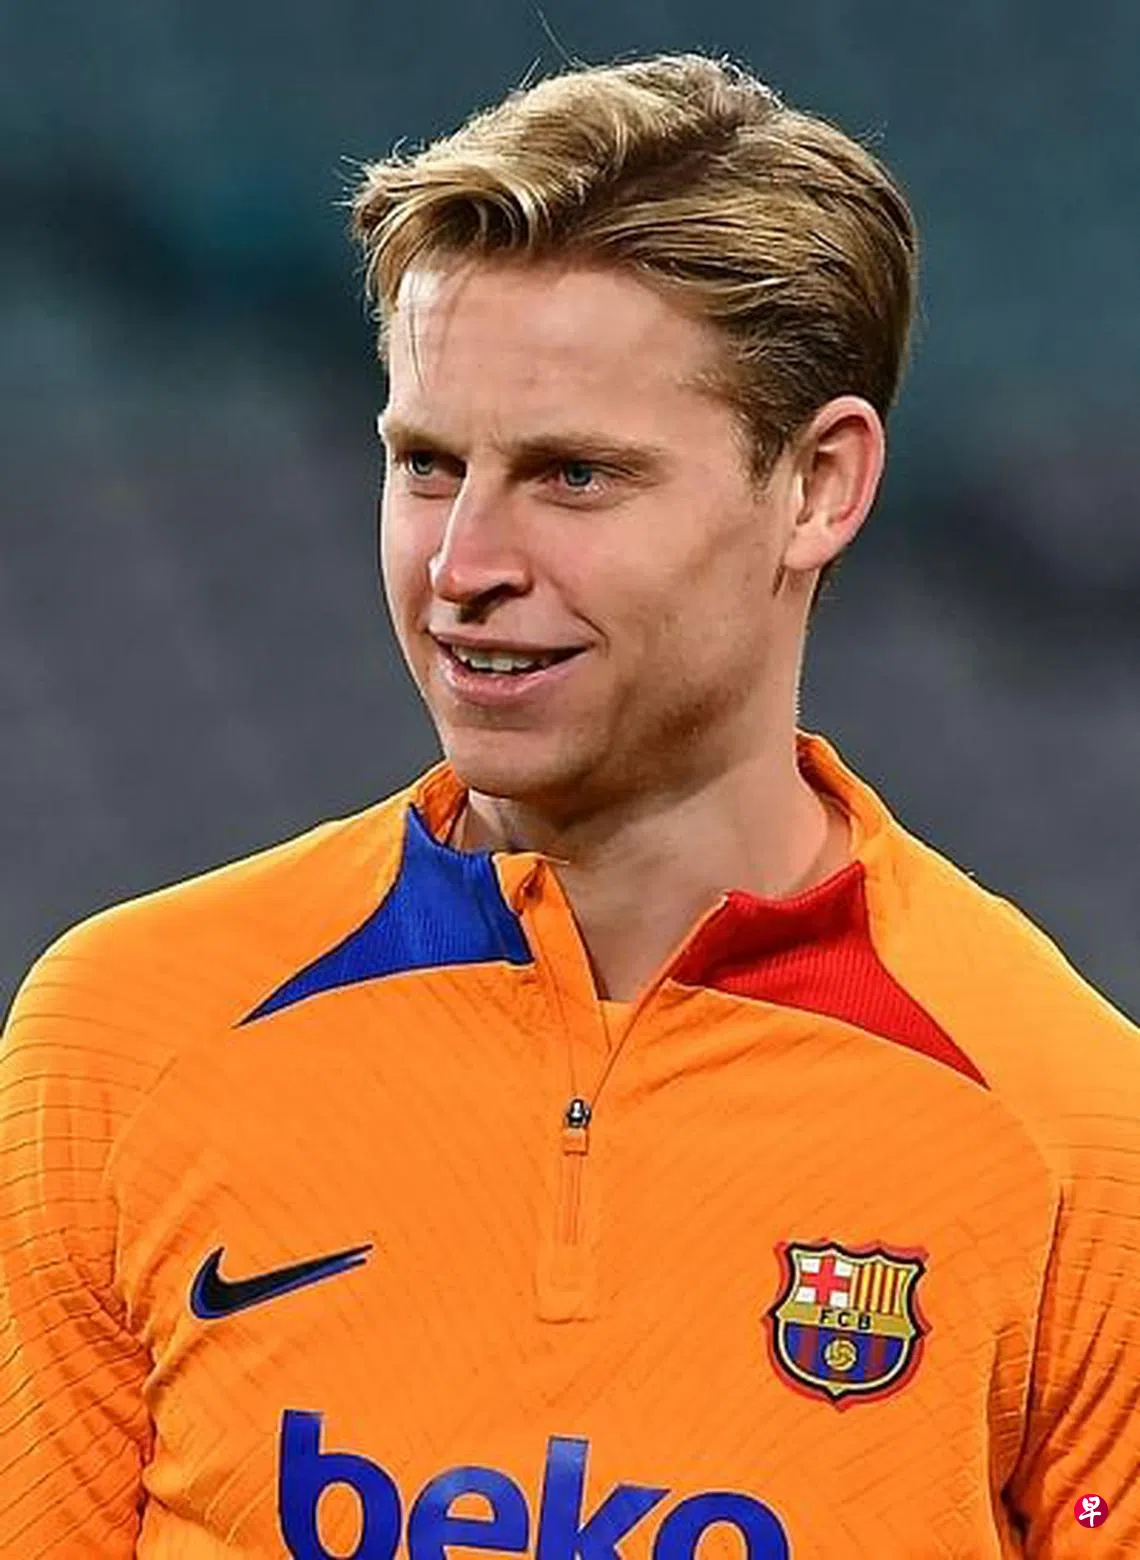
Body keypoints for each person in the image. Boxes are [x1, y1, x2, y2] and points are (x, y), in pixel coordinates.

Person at [1, 50, 1137, 1560]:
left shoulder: (1072, 1134)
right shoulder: (124, 1041)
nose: (464, 562)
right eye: (427, 465)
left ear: (818, 486)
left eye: (576, 476)